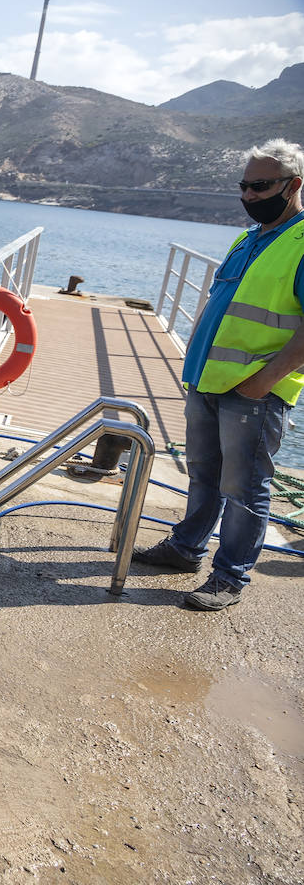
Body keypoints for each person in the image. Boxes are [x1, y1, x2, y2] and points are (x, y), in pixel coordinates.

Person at [134, 139, 304, 611]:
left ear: (294, 185)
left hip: (253, 391)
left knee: (245, 487)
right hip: (207, 380)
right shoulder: (246, 238)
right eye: (244, 186)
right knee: (204, 473)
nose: (250, 195)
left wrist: (261, 383)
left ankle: (229, 577)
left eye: (261, 186)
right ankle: (185, 548)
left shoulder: (302, 241)